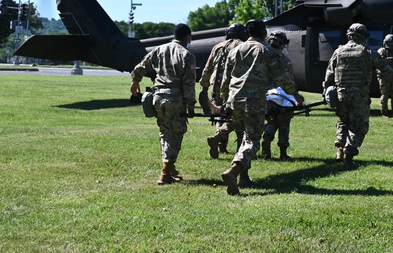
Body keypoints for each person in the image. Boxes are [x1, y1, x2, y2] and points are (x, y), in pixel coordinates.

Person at [218, 20, 302, 195]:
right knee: (252, 141)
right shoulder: (267, 51)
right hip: (254, 102)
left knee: (242, 138)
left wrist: (225, 102)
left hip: (235, 101)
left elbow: (225, 80)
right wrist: (296, 95)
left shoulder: (235, 51)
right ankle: (233, 172)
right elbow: (283, 78)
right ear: (264, 32)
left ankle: (244, 177)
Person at [323, 23, 393, 165]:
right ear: (363, 36)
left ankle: (340, 150)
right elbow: (386, 69)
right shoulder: (367, 52)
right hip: (359, 96)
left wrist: (325, 91)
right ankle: (349, 153)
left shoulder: (339, 51)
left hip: (341, 95)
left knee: (343, 121)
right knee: (359, 125)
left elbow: (329, 73)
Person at [129, 23, 196, 185]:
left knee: (165, 131)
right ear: (187, 37)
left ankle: (170, 168)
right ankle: (166, 171)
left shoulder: (160, 50)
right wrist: (191, 106)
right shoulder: (187, 55)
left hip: (157, 97)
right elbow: (188, 84)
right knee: (177, 132)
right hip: (174, 99)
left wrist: (135, 82)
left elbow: (141, 66)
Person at [199, 23, 246, 158]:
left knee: (221, 114)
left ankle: (221, 147)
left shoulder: (217, 47)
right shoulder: (242, 46)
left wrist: (204, 87)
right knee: (238, 117)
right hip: (234, 88)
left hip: (216, 87)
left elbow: (208, 68)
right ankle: (236, 147)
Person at [261, 31, 299, 160]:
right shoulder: (283, 59)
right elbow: (288, 80)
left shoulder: (261, 56)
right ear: (282, 44)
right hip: (282, 98)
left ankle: (267, 137)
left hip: (265, 97)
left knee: (272, 120)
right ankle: (283, 153)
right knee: (284, 123)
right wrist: (295, 96)